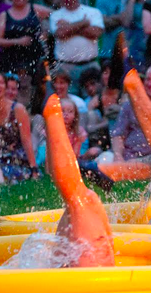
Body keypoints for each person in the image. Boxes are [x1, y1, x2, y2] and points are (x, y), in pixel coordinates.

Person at [42, 93, 114, 267]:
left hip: (89, 279)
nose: (67, 115)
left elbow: (74, 155)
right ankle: (53, 120)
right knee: (82, 199)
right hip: (94, 277)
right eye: (63, 112)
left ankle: (53, 119)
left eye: (69, 112)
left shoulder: (77, 132)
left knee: (82, 199)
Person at [49, 0, 104, 95]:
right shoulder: (56, 15)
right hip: (65, 67)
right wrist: (83, 23)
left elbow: (95, 33)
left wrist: (68, 26)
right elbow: (60, 34)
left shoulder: (93, 12)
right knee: (67, 100)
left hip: (90, 65)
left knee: (94, 98)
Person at [0, 0, 52, 77]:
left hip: (35, 60)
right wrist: (17, 41)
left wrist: (47, 32)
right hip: (12, 61)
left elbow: (56, 15)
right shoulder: (4, 15)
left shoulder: (35, 9)